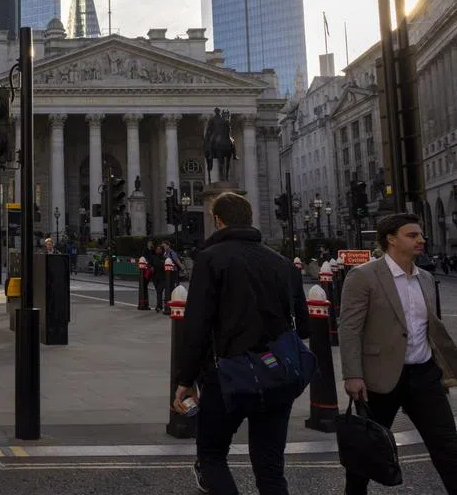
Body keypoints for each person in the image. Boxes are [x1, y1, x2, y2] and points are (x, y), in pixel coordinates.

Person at [173, 192, 309, 495]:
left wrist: (185, 380)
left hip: (228, 374)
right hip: (276, 374)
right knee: (271, 469)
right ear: (250, 219)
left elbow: (196, 326)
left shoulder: (210, 259)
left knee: (211, 456)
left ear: (218, 221)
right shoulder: (283, 263)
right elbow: (303, 324)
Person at [338, 213, 457, 495]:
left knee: (448, 447)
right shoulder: (363, 276)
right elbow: (350, 329)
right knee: (367, 452)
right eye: (412, 235)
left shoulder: (425, 278)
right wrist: (353, 375)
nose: (421, 240)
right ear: (391, 239)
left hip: (424, 375)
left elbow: (430, 327)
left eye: (420, 234)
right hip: (380, 379)